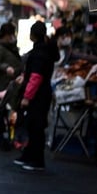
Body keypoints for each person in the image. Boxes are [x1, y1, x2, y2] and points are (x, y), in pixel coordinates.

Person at [14, 21, 60, 172]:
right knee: (33, 126)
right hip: (42, 93)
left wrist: (27, 96)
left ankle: (37, 160)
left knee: (36, 127)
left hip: (38, 96)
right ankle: (28, 155)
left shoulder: (40, 53)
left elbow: (36, 77)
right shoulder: (44, 50)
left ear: (33, 35)